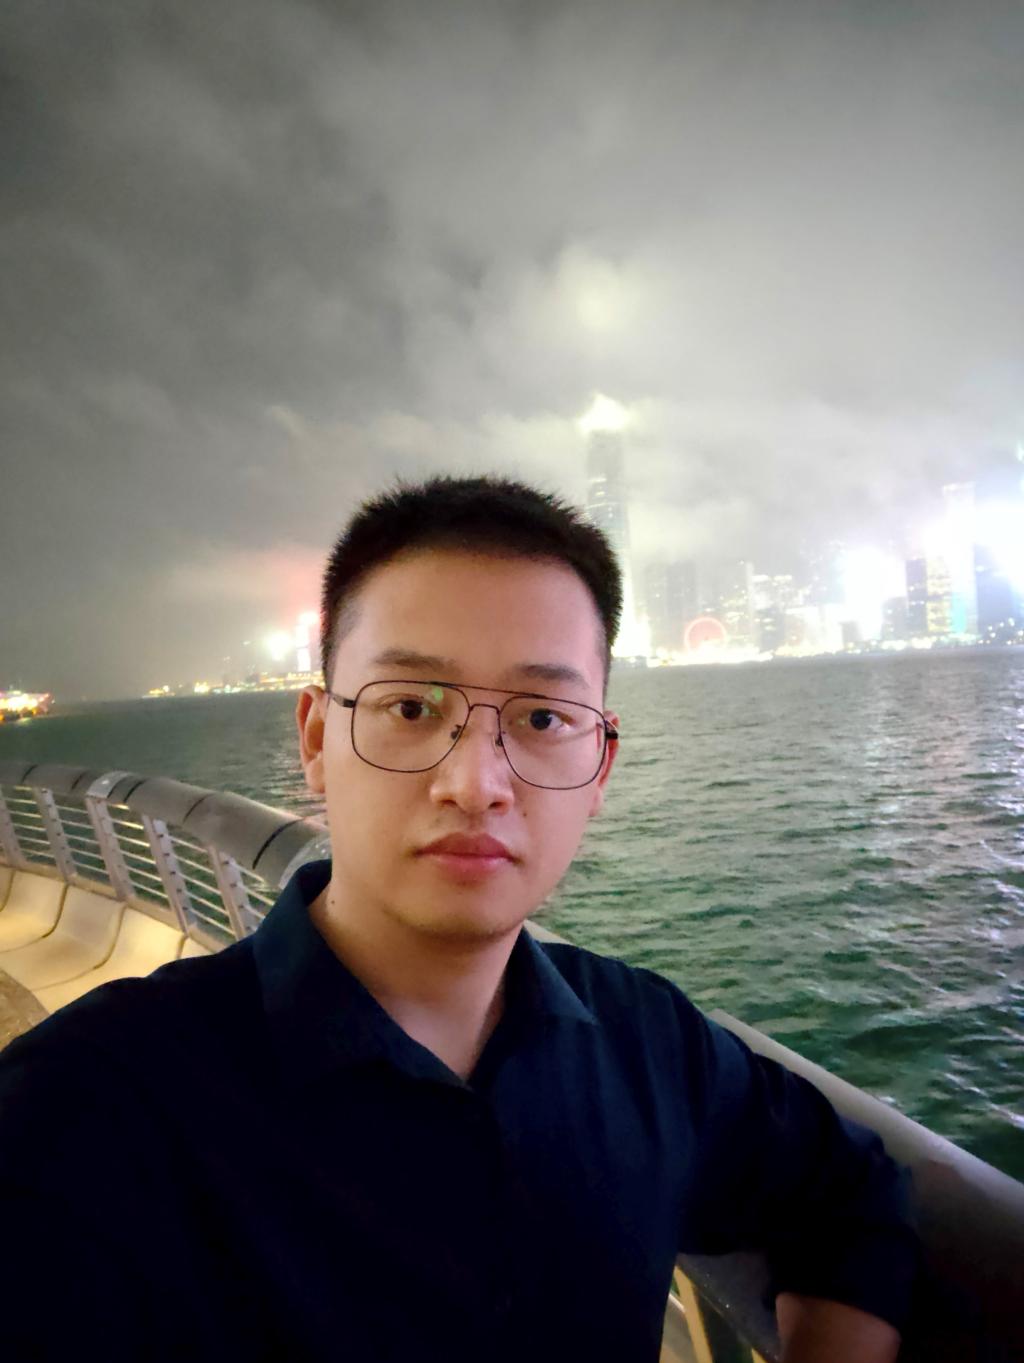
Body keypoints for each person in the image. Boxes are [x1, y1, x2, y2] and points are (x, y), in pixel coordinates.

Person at [0, 475, 918, 1362]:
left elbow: (853, 1201)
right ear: (317, 737)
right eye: (410, 706)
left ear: (600, 767)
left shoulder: (651, 1048)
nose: (475, 784)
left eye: (543, 719)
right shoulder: (85, 1115)